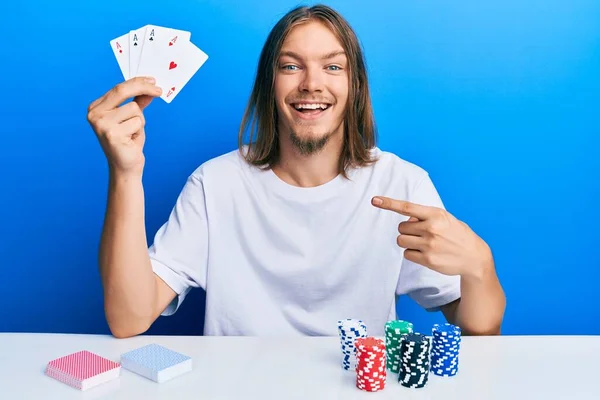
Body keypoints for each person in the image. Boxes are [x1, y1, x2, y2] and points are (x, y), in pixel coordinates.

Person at [87, 4, 506, 338]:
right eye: (291, 66)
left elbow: (477, 327)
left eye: (332, 66)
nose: (310, 83)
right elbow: (130, 319)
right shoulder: (215, 183)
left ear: (355, 85)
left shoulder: (402, 184)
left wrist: (480, 268)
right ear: (270, 85)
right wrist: (125, 175)